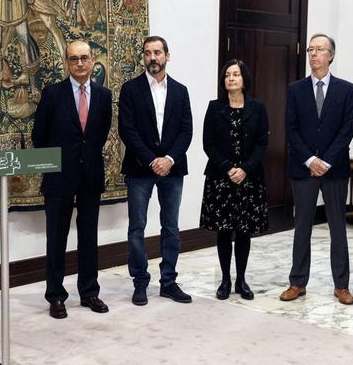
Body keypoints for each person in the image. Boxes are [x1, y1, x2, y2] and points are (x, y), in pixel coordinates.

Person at [32, 39, 112, 318]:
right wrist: (59, 161)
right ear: (66, 62)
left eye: (84, 58)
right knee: (57, 238)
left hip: (90, 175)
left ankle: (89, 292)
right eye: (74, 58)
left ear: (92, 61)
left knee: (89, 237)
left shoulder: (103, 96)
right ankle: (56, 296)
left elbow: (99, 135)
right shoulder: (52, 94)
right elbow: (38, 137)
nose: (80, 63)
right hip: (58, 177)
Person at [280, 33, 353, 305]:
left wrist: (326, 161)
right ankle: (297, 282)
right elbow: (291, 129)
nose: (313, 54)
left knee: (338, 227)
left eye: (320, 49)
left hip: (334, 170)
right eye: (311, 49)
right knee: (302, 226)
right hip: (304, 170)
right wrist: (310, 160)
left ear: (331, 55)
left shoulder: (347, 90)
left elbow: (347, 130)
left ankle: (342, 285)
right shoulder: (295, 89)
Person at [118, 35, 193, 306]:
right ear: (143, 57)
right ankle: (140, 282)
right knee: (137, 228)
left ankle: (169, 282)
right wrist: (153, 159)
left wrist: (169, 159)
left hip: (172, 169)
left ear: (167, 56)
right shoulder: (130, 89)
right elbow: (127, 130)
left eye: (158, 53)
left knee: (170, 227)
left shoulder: (181, 91)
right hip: (140, 169)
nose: (153, 57)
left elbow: (186, 131)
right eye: (148, 53)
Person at [200, 59, 269, 300]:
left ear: (244, 79)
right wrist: (229, 168)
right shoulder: (214, 107)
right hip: (221, 178)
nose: (231, 78)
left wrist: (245, 169)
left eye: (236, 74)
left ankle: (241, 280)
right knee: (223, 231)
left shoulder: (258, 108)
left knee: (243, 232)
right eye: (227, 75)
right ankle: (225, 280)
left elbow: (262, 143)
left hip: (249, 179)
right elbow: (208, 143)